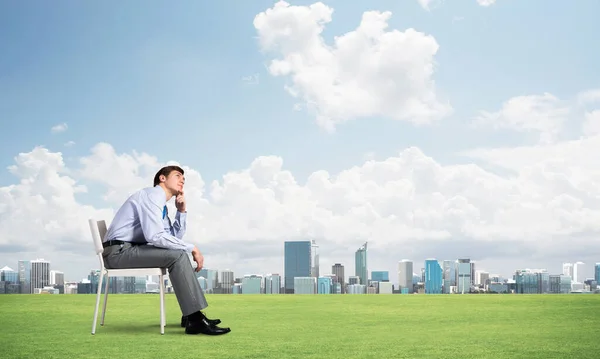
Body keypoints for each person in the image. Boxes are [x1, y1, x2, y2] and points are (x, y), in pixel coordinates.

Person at [102, 165, 231, 335]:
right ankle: (195, 318)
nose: (182, 180)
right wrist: (192, 248)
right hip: (119, 252)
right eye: (178, 176)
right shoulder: (152, 195)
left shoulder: (160, 205)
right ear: (162, 178)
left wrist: (181, 211)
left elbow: (172, 239)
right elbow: (155, 236)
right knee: (177, 256)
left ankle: (191, 315)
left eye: (184, 178)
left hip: (129, 249)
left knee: (177, 253)